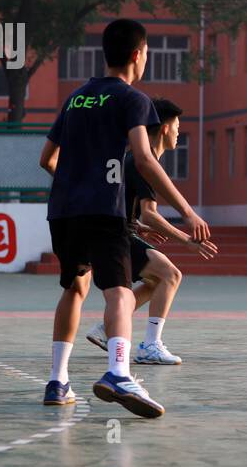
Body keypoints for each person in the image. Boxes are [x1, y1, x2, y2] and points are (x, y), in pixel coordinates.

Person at [38, 18, 211, 417]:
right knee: (119, 290)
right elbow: (146, 159)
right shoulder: (134, 100)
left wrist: (74, 181)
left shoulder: (76, 98)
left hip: (63, 210)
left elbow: (46, 159)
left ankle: (57, 381)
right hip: (103, 209)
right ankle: (117, 371)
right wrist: (186, 211)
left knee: (74, 289)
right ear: (138, 55)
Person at [84, 97, 218, 364]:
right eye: (178, 125)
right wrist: (186, 240)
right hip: (114, 235)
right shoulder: (144, 163)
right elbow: (151, 212)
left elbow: (127, 205)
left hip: (116, 230)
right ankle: (149, 346)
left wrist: (140, 227)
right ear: (165, 127)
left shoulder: (135, 158)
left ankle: (107, 327)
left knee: (157, 280)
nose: (179, 132)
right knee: (171, 274)